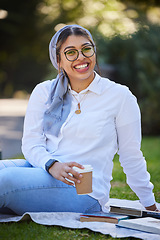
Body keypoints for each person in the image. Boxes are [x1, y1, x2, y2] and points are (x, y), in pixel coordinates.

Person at [0, 24, 159, 215]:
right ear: (58, 60)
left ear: (94, 51)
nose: (81, 57)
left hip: (84, 191)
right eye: (70, 52)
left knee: (5, 179)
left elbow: (131, 155)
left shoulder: (120, 96)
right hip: (45, 169)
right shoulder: (44, 92)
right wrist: (52, 165)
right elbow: (31, 144)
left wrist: (150, 205)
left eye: (86, 49)